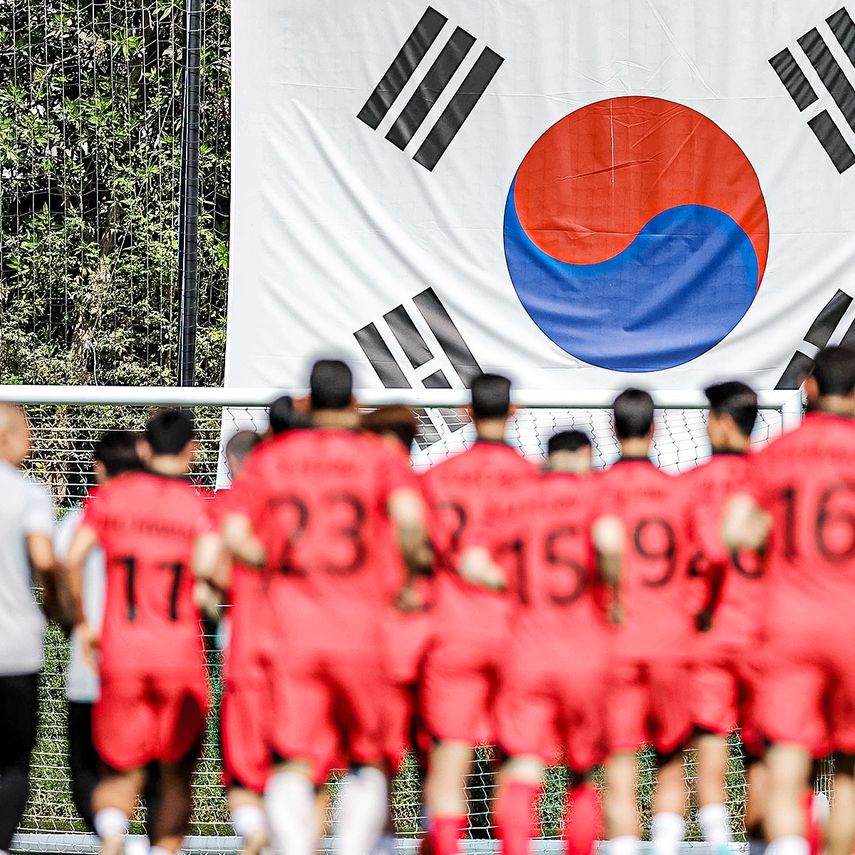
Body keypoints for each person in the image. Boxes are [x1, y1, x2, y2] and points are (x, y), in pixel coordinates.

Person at [220, 359, 430, 855]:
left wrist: (272, 560)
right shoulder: (376, 458)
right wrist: (407, 574)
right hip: (361, 627)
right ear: (354, 404)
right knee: (368, 753)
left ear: (309, 404)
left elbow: (232, 532)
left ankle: (294, 848)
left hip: (291, 630)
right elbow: (409, 519)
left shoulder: (274, 460)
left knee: (293, 755)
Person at [460, 430, 622, 855]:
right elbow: (610, 543)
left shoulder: (517, 499)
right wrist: (612, 592)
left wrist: (511, 583)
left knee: (520, 769)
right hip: (584, 651)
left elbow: (472, 561)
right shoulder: (595, 494)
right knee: (583, 771)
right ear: (586, 457)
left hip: (526, 651)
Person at [725, 346, 855, 855]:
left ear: (810, 388)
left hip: (787, 623)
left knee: (785, 766)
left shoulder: (776, 454)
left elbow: (735, 531)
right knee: (848, 774)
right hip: (850, 625)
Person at [66, 409, 213, 855]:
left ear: (145, 448)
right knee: (175, 772)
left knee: (119, 768)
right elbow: (210, 571)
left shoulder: (113, 499)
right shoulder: (200, 505)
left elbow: (72, 559)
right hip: (179, 654)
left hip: (122, 652)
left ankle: (113, 838)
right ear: (192, 452)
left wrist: (83, 624)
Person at [419, 374, 538, 855]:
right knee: (517, 757)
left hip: (454, 632)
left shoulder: (436, 479)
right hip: (519, 634)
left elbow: (417, 553)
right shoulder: (536, 480)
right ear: (513, 412)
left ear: (467, 412)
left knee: (450, 757)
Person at [599, 390, 696, 855]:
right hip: (670, 639)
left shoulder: (593, 493)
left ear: (613, 430)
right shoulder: (682, 493)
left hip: (613, 639)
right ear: (655, 428)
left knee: (619, 756)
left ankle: (622, 846)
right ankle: (665, 847)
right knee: (672, 754)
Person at [680, 383, 763, 855]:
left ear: (720, 422)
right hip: (764, 635)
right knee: (766, 755)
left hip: (708, 630)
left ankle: (716, 843)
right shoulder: (775, 478)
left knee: (707, 745)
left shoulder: (688, 485)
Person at [56, 431, 142, 832]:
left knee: (86, 771)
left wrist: (76, 622)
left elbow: (57, 569)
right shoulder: (162, 517)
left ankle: (116, 838)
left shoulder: (80, 517)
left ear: (99, 467)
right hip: (149, 663)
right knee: (146, 769)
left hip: (91, 664)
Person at [361, 405, 434, 852]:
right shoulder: (433, 488)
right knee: (437, 752)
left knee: (377, 757)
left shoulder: (364, 492)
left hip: (378, 640)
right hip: (429, 638)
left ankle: (385, 842)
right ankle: (434, 835)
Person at [0, 404, 59, 855]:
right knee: (13, 763)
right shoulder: (29, 494)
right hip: (15, 649)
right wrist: (57, 602)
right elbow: (43, 558)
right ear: (11, 438)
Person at [212, 430, 273, 855]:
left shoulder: (225, 508)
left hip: (244, 639)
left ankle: (254, 828)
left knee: (242, 759)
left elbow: (208, 570)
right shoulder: (291, 503)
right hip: (302, 642)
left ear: (231, 463)